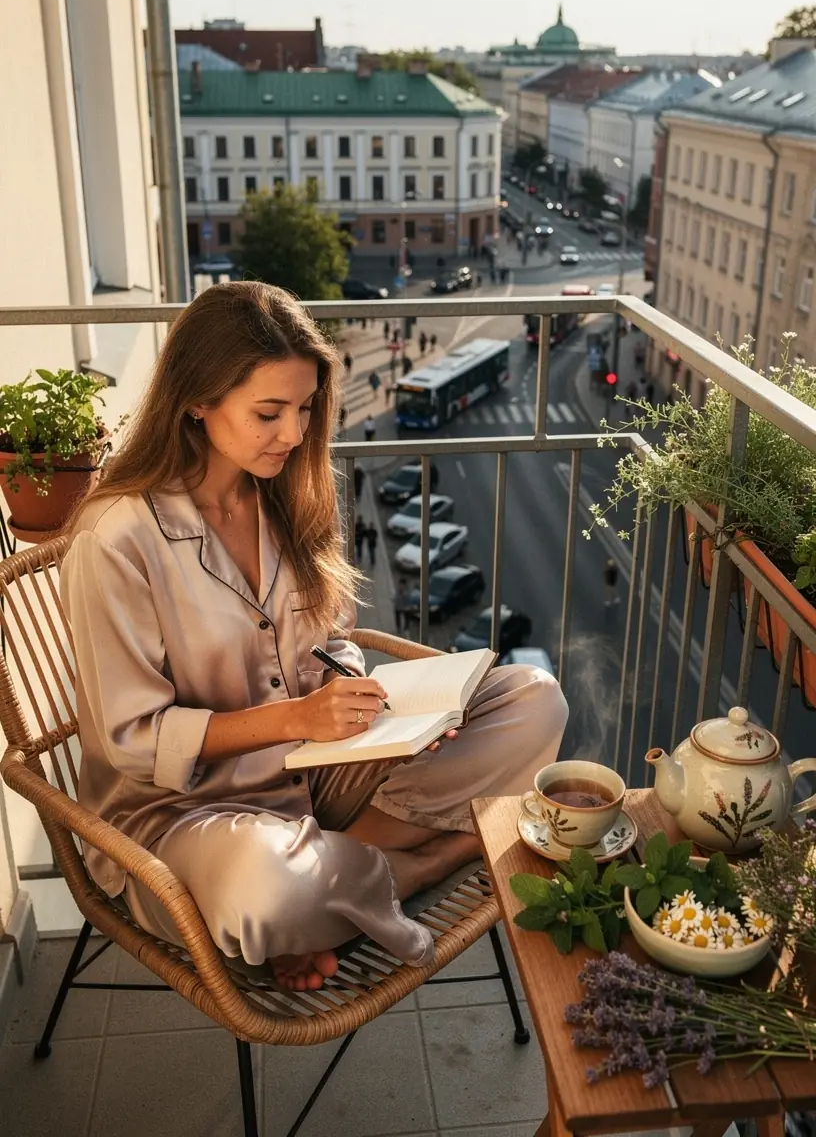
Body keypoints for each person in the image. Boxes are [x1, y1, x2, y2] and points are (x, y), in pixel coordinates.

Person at [60, 280, 568, 992]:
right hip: (182, 813)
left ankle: (336, 886)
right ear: (197, 401)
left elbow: (334, 637)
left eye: (304, 409)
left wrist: (373, 709)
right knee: (269, 889)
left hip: (314, 773)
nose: (295, 435)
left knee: (534, 699)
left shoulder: (290, 494)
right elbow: (133, 740)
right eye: (269, 413)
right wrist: (296, 718)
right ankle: (427, 862)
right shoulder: (116, 539)